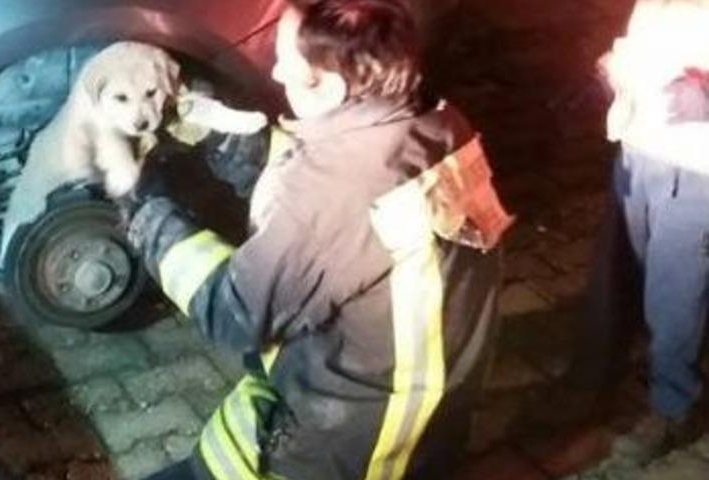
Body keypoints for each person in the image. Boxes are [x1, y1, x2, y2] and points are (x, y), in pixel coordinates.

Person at [121, 0, 512, 478]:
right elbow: (328, 195)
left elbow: (234, 315)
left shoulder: (340, 187)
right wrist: (231, 140)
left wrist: (144, 207)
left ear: (330, 84)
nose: (277, 70)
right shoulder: (436, 126)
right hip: (430, 423)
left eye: (287, 59)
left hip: (353, 445)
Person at [571, 0, 709, 464]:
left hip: (696, 169)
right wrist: (616, 73)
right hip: (639, 150)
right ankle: (655, 372)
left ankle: (673, 405)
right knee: (650, 279)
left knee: (677, 291)